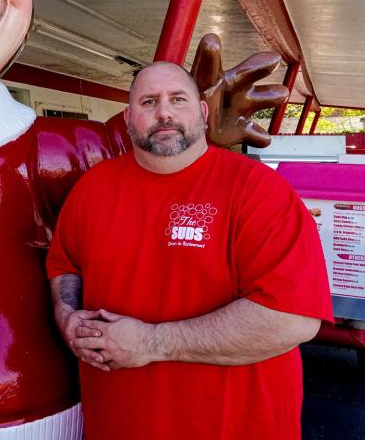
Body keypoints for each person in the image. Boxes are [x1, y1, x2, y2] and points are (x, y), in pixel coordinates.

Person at [46, 61, 332, 440]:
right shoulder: (92, 188)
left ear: (201, 111)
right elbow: (66, 265)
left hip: (234, 427)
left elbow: (292, 318)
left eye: (177, 99)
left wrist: (152, 343)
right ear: (129, 119)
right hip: (118, 423)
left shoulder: (258, 190)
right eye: (148, 102)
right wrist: (67, 316)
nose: (163, 112)